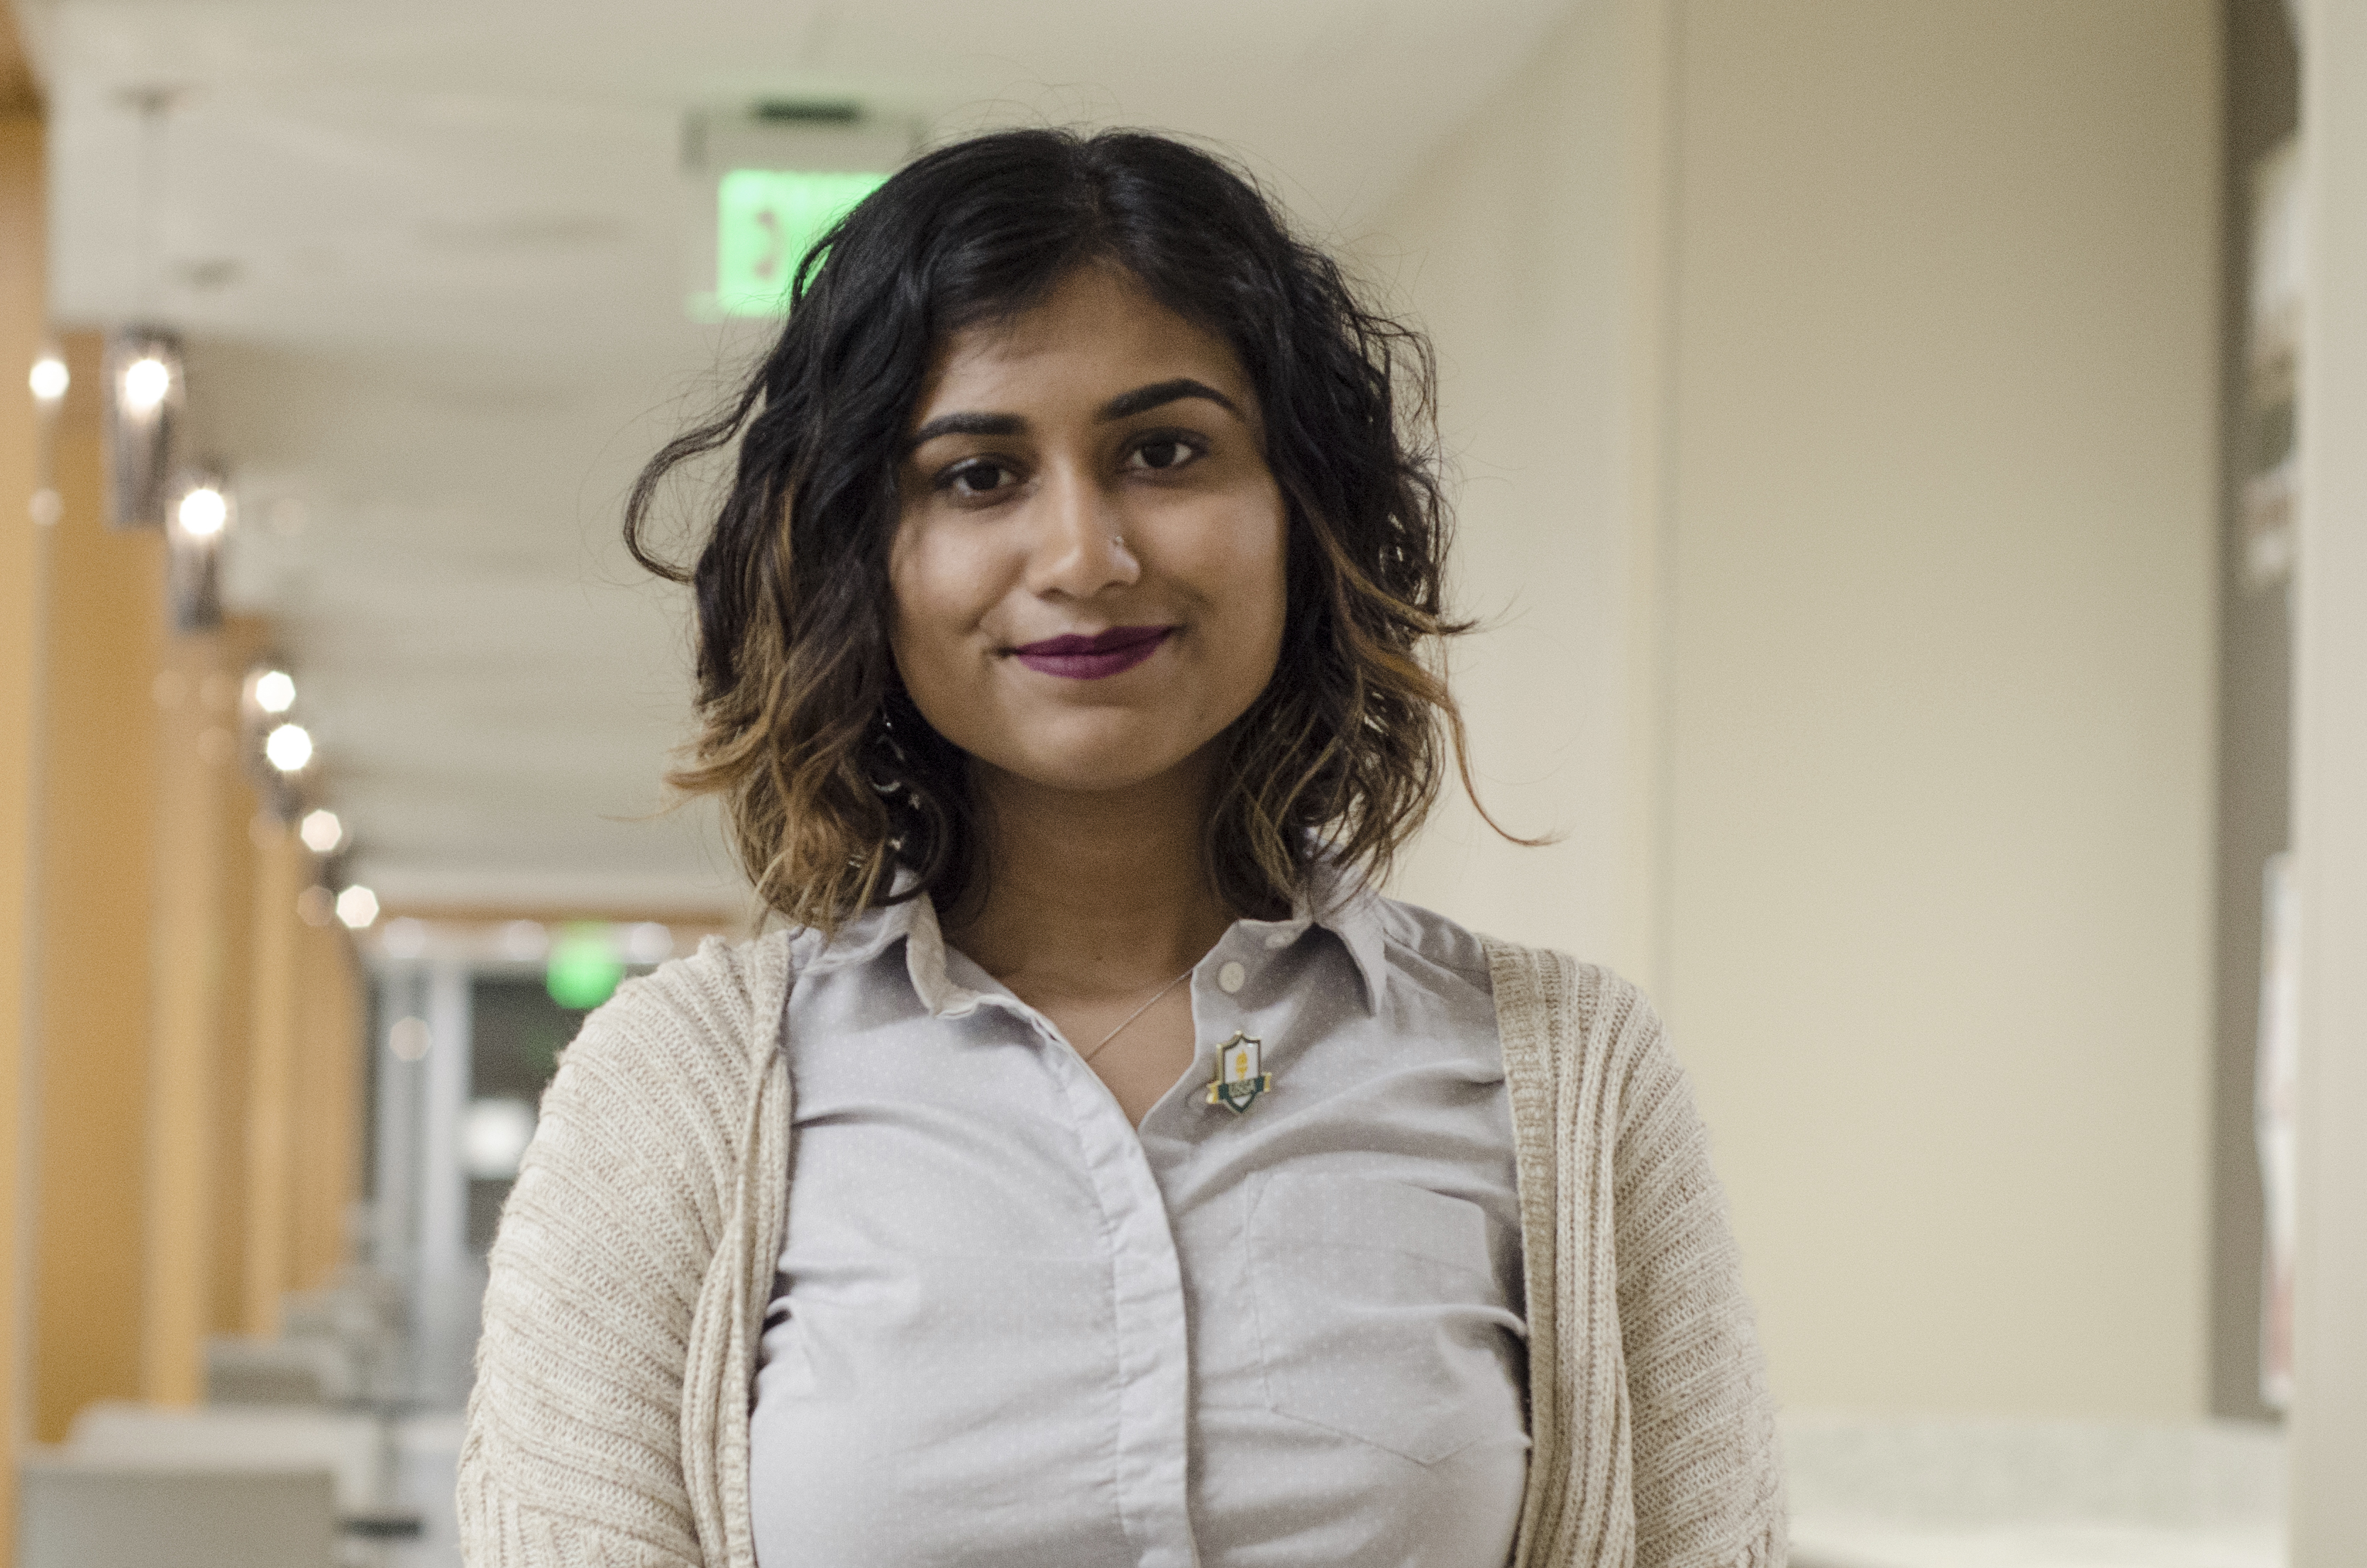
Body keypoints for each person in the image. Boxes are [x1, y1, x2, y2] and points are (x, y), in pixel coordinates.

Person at [457, 127, 1784, 1568]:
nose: (1085, 555)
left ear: (1302, 513)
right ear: (865, 553)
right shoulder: (676, 1101)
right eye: (977, 475)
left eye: (1165, 452)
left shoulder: (1570, 1080)